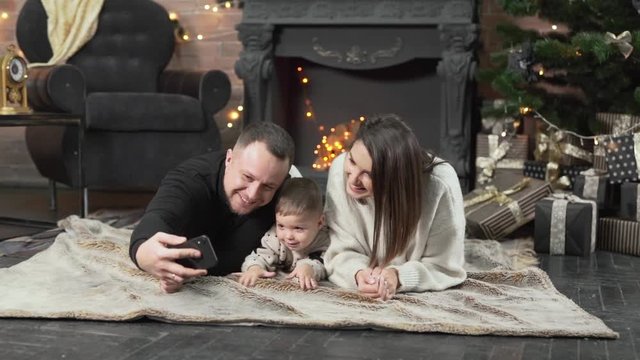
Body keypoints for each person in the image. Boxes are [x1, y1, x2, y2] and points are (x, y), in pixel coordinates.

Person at [129, 121, 295, 293]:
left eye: (268, 187)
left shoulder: (286, 194)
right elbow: (159, 217)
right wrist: (143, 254)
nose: (253, 194)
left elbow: (316, 237)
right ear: (229, 159)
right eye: (247, 177)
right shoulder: (191, 179)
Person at [323, 114, 467, 301]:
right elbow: (337, 251)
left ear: (394, 177)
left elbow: (444, 266)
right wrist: (358, 273)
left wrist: (398, 277)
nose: (352, 180)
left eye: (369, 174)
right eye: (352, 161)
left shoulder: (440, 185)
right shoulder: (338, 171)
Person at [238, 177, 329, 290]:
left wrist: (308, 268)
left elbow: (325, 261)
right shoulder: (275, 237)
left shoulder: (324, 239)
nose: (288, 236)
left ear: (319, 223)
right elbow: (260, 255)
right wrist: (254, 267)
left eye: (298, 228)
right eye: (281, 226)